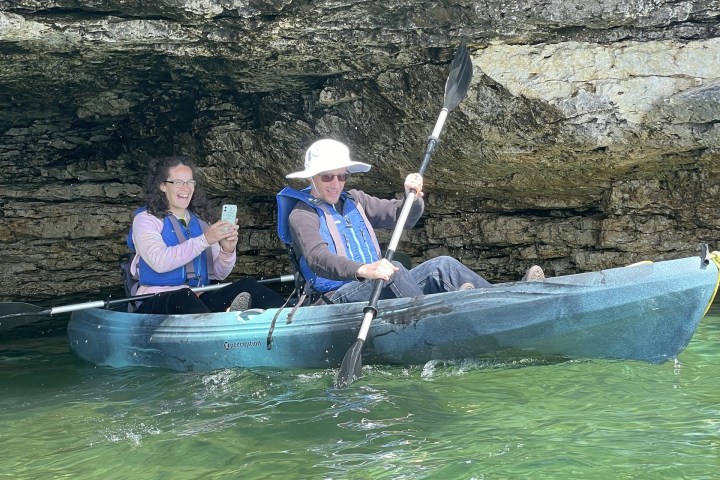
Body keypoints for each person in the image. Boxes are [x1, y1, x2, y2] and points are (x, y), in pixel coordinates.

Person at [277, 138, 544, 305]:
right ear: (312, 178)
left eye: (341, 176)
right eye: (327, 177)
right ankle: (448, 314)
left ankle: (511, 301)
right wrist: (364, 270)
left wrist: (412, 198)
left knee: (443, 265)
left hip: (375, 284)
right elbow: (318, 259)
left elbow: (400, 217)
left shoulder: (355, 200)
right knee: (394, 269)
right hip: (335, 299)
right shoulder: (301, 214)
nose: (336, 184)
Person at [129, 155, 286, 314]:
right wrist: (205, 240)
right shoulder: (145, 220)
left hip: (198, 298)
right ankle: (221, 324)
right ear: (162, 185)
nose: (186, 188)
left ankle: (293, 316)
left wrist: (227, 250)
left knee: (249, 285)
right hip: (157, 300)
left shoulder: (202, 222)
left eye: (190, 182)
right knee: (184, 297)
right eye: (178, 182)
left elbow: (220, 273)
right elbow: (159, 262)